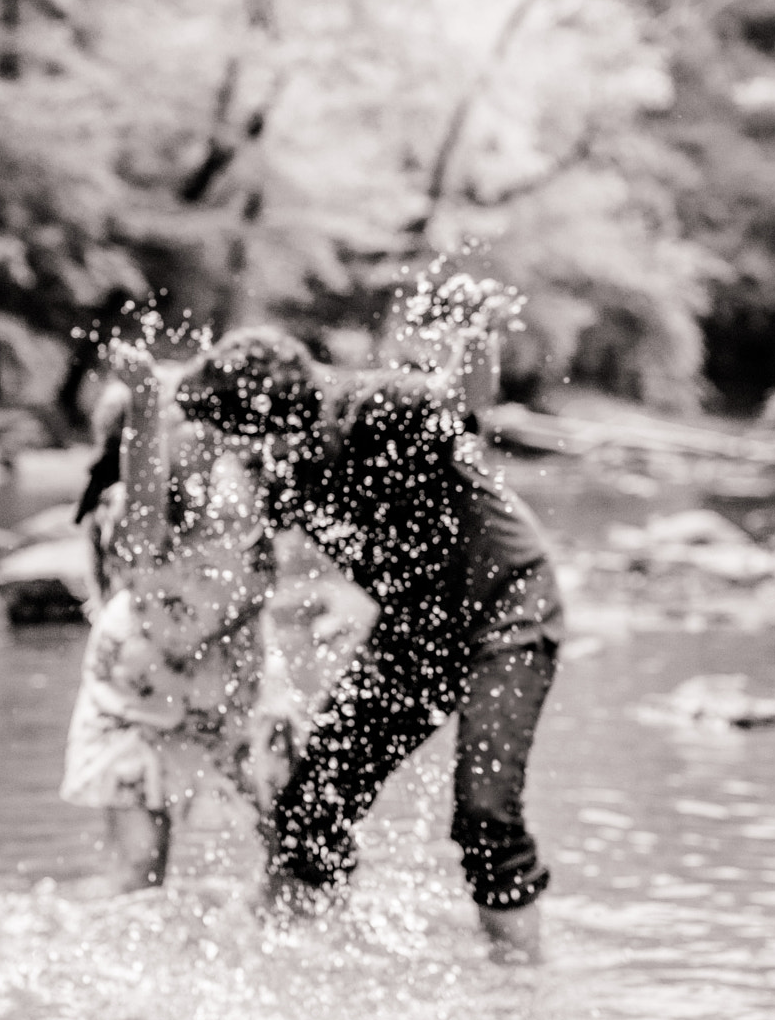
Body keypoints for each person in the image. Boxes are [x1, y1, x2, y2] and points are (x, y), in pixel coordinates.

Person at [174, 277, 563, 934]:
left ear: (274, 418)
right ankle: (293, 946)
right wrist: (263, 694)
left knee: (484, 811)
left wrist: (478, 342)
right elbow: (251, 583)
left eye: (233, 440)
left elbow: (463, 406)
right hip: (415, 627)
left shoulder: (378, 407)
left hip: (507, 607)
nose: (228, 458)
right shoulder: (277, 467)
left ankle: (520, 990)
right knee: (310, 804)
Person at [59, 341, 298, 894]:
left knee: (296, 850)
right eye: (180, 420)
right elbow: (146, 497)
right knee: (139, 871)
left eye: (197, 417)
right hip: (141, 698)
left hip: (238, 686)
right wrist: (145, 400)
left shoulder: (239, 485)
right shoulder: (128, 508)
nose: (199, 431)